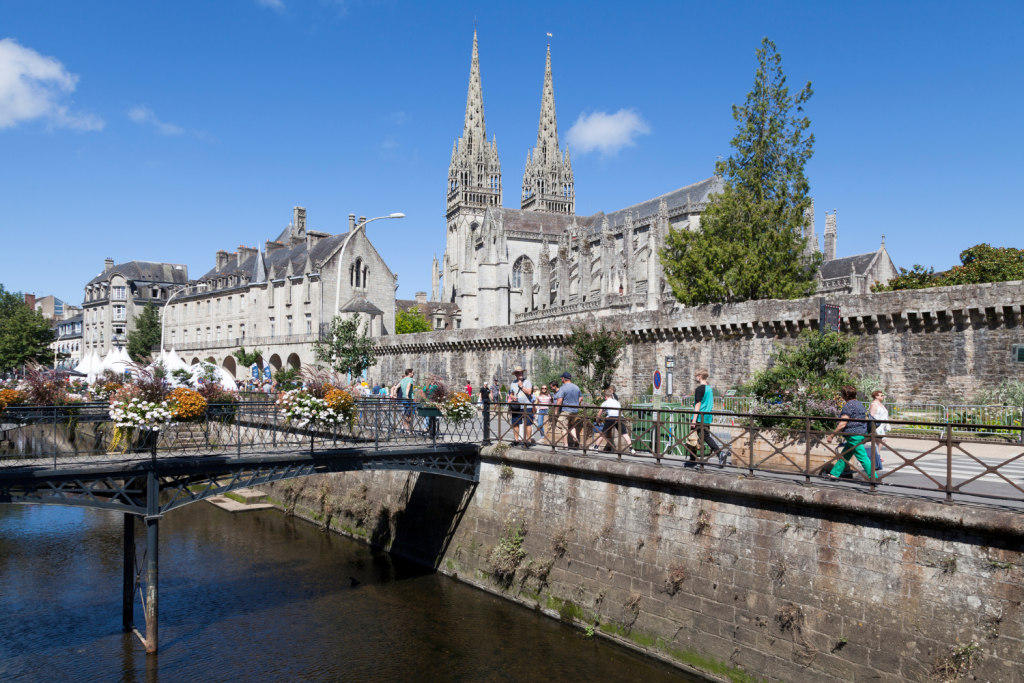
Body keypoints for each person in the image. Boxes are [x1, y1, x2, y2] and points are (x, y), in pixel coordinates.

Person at [825, 385, 874, 479]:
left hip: (853, 436)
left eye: (842, 393)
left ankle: (873, 478)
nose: (841, 395)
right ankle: (834, 474)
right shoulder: (859, 403)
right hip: (859, 434)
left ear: (846, 395)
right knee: (845, 455)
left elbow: (842, 424)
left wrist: (831, 435)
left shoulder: (848, 406)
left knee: (862, 457)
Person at [689, 368, 723, 463]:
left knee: (692, 437)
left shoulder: (700, 389)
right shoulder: (709, 388)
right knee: (705, 437)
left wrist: (694, 420)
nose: (695, 378)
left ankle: (692, 459)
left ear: (699, 377)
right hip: (707, 416)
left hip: (700, 417)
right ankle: (719, 454)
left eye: (696, 376)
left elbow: (698, 404)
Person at [592, 388, 636, 454]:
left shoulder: (605, 403)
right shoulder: (617, 402)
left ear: (606, 396)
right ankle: (631, 449)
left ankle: (596, 448)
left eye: (604, 397)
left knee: (603, 433)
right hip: (619, 418)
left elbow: (599, 414)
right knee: (624, 434)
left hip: (611, 418)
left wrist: (598, 421)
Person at [553, 372, 583, 447]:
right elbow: (581, 398)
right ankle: (575, 438)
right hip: (575, 410)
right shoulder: (576, 387)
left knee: (563, 427)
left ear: (563, 378)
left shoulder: (563, 388)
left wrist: (556, 410)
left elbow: (559, 400)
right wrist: (576, 403)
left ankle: (565, 445)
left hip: (566, 410)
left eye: (561, 378)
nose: (561, 379)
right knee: (572, 425)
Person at [509, 366, 534, 447]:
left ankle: (528, 441)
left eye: (521, 372)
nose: (520, 373)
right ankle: (516, 440)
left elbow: (529, 392)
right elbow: (511, 394)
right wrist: (512, 397)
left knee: (528, 423)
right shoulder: (513, 383)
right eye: (519, 372)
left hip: (527, 406)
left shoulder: (527, 382)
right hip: (517, 406)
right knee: (516, 423)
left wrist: (521, 386)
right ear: (516, 374)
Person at [868, 390, 889, 471]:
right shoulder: (874, 405)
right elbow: (871, 416)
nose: (882, 396)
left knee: (878, 441)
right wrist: (872, 426)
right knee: (882, 439)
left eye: (882, 395)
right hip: (877, 425)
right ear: (876, 396)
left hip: (882, 425)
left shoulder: (881, 404)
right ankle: (877, 456)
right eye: (881, 395)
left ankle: (876, 457)